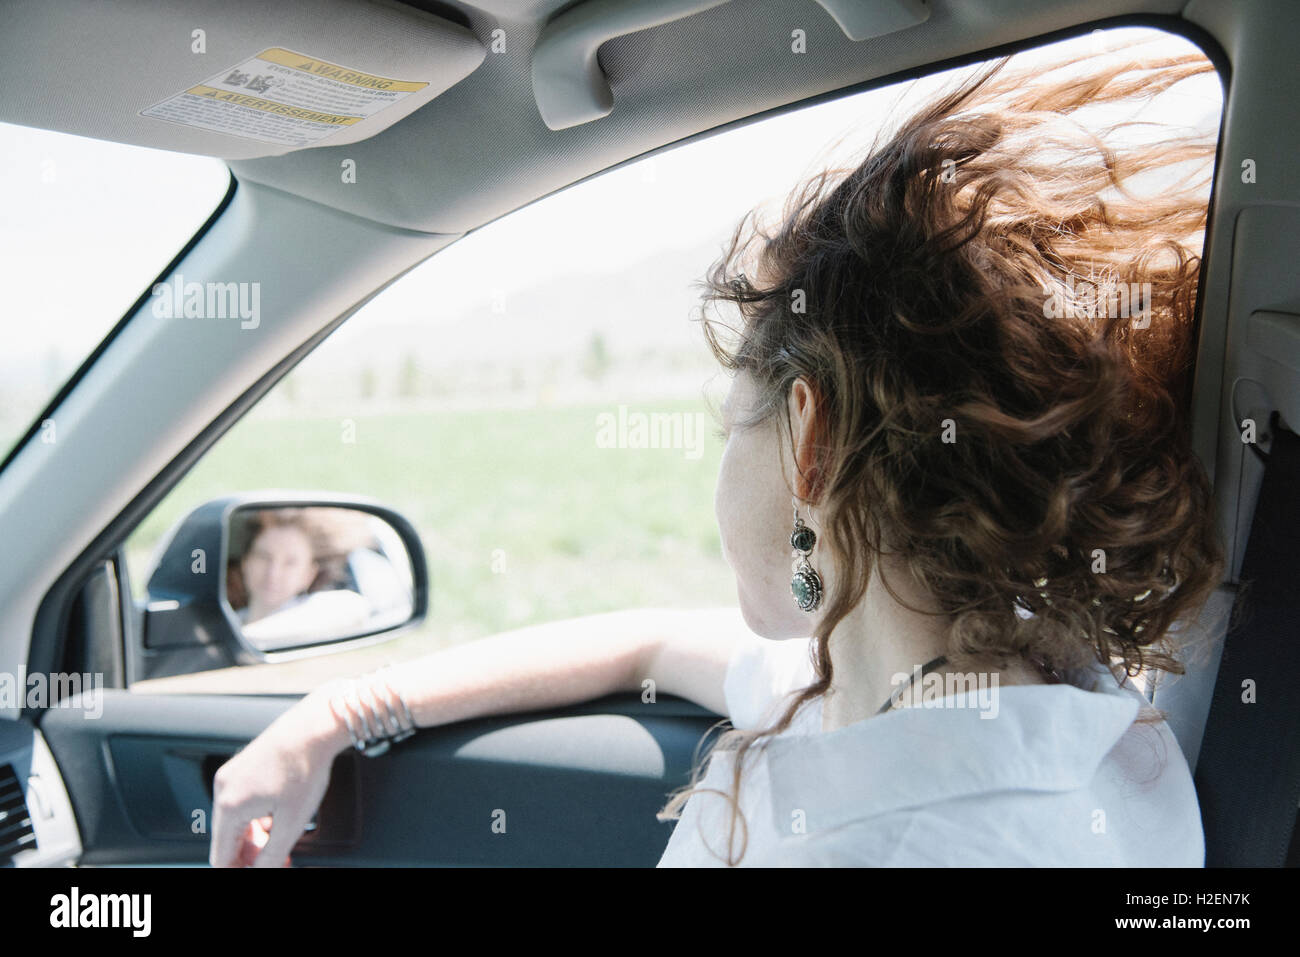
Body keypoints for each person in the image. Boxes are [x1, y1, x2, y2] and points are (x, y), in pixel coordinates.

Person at [209, 44, 1225, 867]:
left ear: (812, 437)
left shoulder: (888, 837)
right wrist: (339, 713)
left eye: (729, 423)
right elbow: (651, 646)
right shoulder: (1049, 709)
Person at [231, 509, 372, 651]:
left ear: (308, 575)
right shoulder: (231, 619)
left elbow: (353, 606)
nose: (273, 573)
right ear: (245, 563)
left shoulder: (316, 610)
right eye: (264, 557)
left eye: (290, 563)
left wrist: (242, 638)